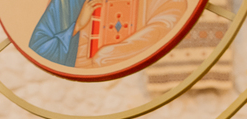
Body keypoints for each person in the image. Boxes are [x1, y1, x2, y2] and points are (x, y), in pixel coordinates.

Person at [28, 0, 189, 71]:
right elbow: (40, 48)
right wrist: (76, 26)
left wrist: (111, 54)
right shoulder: (67, 2)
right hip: (82, 85)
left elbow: (168, 20)